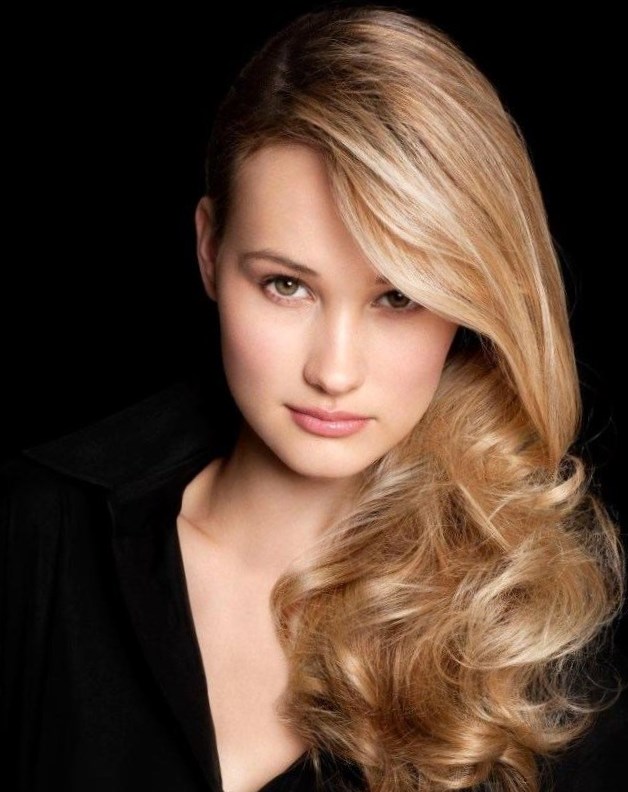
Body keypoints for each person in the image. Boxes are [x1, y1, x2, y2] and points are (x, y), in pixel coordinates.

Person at [1, 5, 625, 792]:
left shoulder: (534, 639)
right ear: (208, 250)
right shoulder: (38, 535)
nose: (334, 370)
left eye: (398, 298)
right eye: (286, 286)